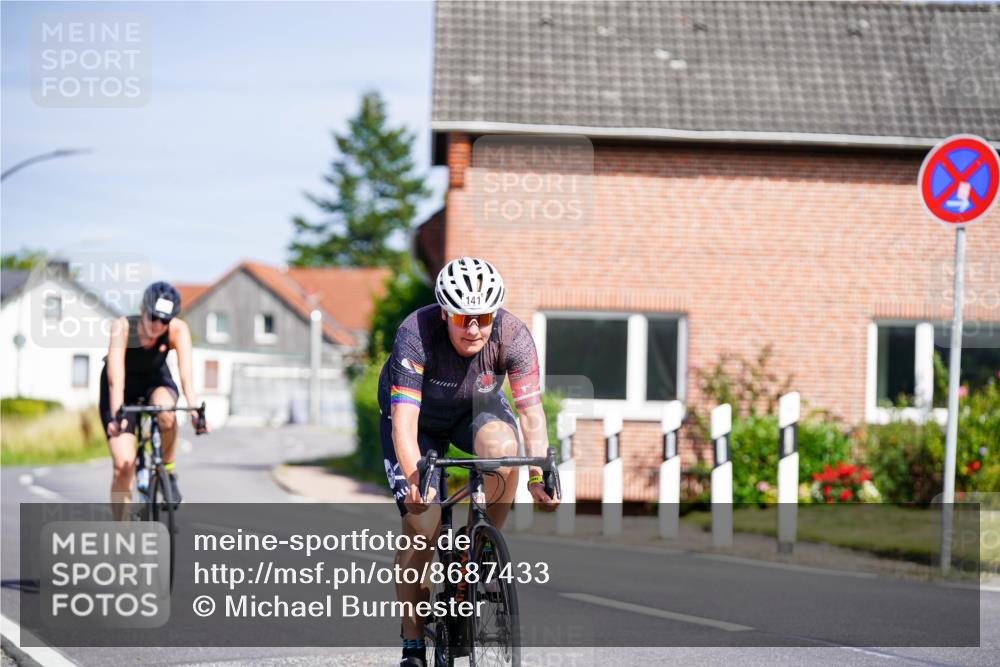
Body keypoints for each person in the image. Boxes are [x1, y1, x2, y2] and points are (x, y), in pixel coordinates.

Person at [378, 257, 559, 667]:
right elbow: (404, 426)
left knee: (503, 449)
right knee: (422, 526)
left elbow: (531, 414)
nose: (474, 329)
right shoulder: (415, 335)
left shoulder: (513, 336)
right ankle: (412, 642)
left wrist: (537, 473)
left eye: (483, 317)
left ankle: (478, 549)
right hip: (418, 422)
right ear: (445, 313)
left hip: (473, 412)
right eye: (463, 318)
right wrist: (416, 481)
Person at [100, 281, 207, 516]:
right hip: (122, 388)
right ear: (142, 309)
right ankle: (122, 534)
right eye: (153, 318)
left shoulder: (178, 330)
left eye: (165, 321)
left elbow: (186, 377)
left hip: (154, 381)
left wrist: (194, 410)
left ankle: (167, 469)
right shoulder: (123, 327)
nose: (158, 325)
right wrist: (118, 415)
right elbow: (115, 379)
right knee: (123, 466)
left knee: (167, 413)